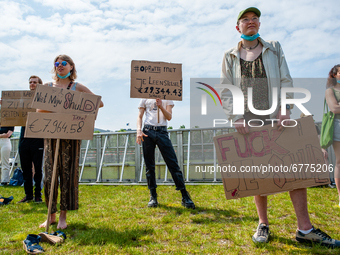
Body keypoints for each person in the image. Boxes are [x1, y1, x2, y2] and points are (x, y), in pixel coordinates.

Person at [220, 7, 340, 247]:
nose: (251, 22)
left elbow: (285, 79)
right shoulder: (230, 56)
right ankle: (263, 224)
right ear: (238, 27)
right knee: (258, 173)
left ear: (259, 24)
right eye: (245, 19)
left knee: (294, 169)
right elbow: (226, 88)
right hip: (248, 120)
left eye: (255, 19)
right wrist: (236, 116)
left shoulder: (273, 48)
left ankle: (304, 229)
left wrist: (285, 108)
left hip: (277, 117)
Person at [39, 54, 104, 229]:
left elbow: (99, 103)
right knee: (49, 176)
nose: (60, 66)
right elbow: (39, 109)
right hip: (51, 135)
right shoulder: (47, 86)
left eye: (64, 63)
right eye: (57, 64)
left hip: (71, 136)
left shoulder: (77, 87)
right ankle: (50, 215)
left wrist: (74, 108)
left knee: (68, 176)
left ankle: (62, 217)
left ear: (71, 67)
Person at [136, 98, 195, 209]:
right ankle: (153, 196)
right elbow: (140, 116)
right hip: (147, 131)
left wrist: (161, 106)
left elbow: (169, 117)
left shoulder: (168, 97)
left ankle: (184, 195)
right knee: (149, 166)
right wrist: (139, 130)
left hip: (162, 131)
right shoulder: (144, 96)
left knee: (173, 163)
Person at [18, 75, 44, 203]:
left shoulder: (44, 100)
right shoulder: (22, 100)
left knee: (38, 168)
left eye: (35, 82)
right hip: (24, 137)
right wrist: (5, 104)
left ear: (39, 84)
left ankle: (38, 195)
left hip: (38, 138)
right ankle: (28, 195)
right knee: (26, 168)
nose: (32, 84)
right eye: (30, 82)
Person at [325, 64, 340, 207]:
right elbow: (334, 108)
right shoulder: (331, 91)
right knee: (339, 161)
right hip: (338, 126)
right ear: (335, 75)